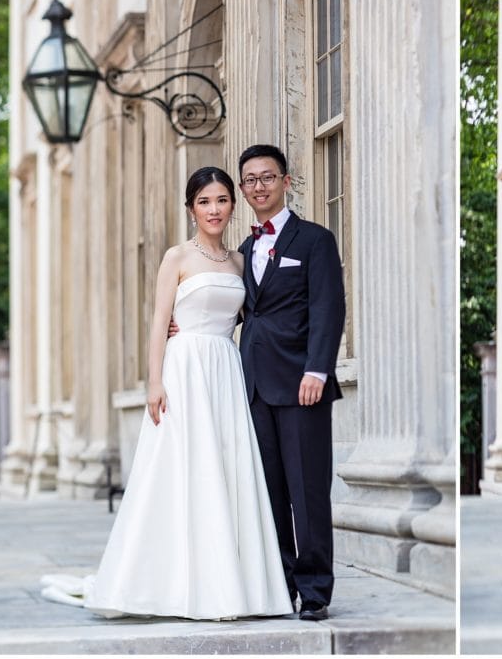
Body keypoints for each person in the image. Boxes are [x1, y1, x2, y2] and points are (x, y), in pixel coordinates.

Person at [41, 167, 292, 620]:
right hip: (184, 371)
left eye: (220, 200)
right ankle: (174, 581)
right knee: (184, 469)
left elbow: (245, 317)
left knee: (228, 469)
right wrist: (154, 381)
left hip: (225, 371)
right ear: (191, 208)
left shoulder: (239, 261)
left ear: (232, 205)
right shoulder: (176, 257)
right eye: (204, 202)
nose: (213, 210)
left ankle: (236, 583)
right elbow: (159, 321)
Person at [233, 144, 346, 622]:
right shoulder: (241, 250)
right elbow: (241, 310)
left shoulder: (314, 240)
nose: (259, 186)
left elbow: (328, 307)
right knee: (270, 493)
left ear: (286, 180)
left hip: (303, 385)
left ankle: (315, 589)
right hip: (253, 387)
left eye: (267, 177)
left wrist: (316, 370)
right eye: (250, 180)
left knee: (308, 491)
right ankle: (281, 584)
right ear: (243, 190)